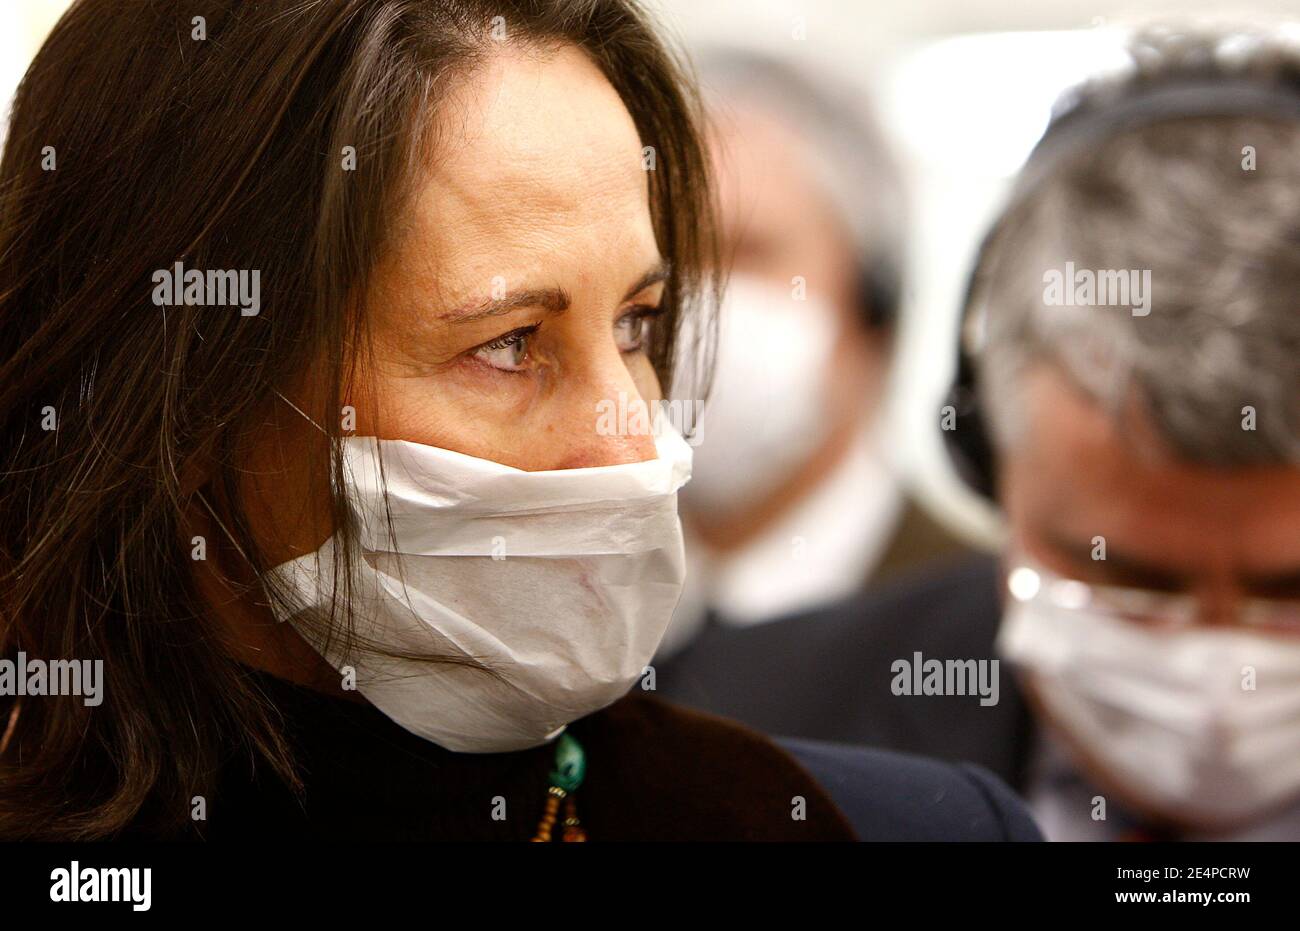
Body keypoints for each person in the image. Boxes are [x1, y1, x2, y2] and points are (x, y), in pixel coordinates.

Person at [0, 0, 1039, 842]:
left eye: (637, 324)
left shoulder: (870, 825)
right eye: (508, 342)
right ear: (185, 396)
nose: (636, 438)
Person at [657, 24, 1300, 841]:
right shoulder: (747, 728)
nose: (1217, 684)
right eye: (1135, 584)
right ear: (988, 454)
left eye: (1287, 595)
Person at [657, 48, 970, 658]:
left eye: (743, 252)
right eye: (662, 260)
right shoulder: (587, 617)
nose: (689, 304)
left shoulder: (980, 628)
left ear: (873, 305)